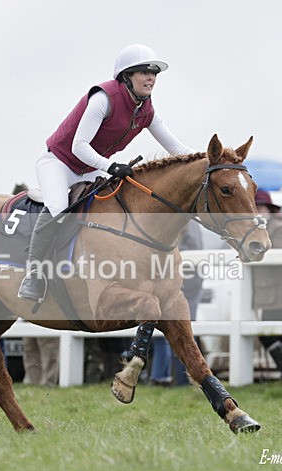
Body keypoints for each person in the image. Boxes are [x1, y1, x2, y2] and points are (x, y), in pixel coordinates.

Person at [18, 43, 195, 302]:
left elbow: (176, 148)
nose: (151, 78)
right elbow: (79, 146)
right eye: (144, 72)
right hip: (59, 163)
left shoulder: (146, 110)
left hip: (89, 169)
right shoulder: (104, 98)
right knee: (58, 208)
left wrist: (209, 159)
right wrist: (111, 166)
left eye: (154, 73)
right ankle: (33, 276)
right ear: (126, 76)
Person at [252, 190, 282, 380]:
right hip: (268, 290)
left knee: (274, 332)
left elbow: (280, 251)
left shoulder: (279, 227)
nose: (257, 211)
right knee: (273, 333)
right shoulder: (255, 228)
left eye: (260, 207)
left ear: (269, 209)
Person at [148, 220, 204, 386]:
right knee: (163, 333)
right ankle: (163, 377)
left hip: (185, 282)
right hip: (171, 280)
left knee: (180, 333)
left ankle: (176, 380)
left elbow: (192, 250)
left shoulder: (187, 222)